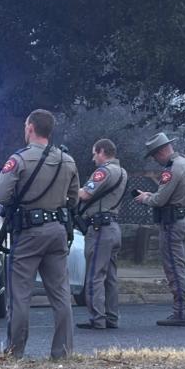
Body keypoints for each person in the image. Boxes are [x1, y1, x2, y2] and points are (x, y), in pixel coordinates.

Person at [0, 109, 79, 359]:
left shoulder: (19, 160)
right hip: (58, 231)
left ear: (30, 127)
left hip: (29, 233)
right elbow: (73, 200)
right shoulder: (67, 160)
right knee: (61, 294)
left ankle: (15, 351)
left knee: (20, 294)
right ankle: (62, 353)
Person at [134, 133, 185, 326]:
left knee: (174, 268)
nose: (155, 159)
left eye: (155, 155)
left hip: (172, 224)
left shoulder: (171, 169)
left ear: (162, 151)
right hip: (184, 218)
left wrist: (144, 198)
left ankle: (181, 311)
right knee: (181, 267)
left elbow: (160, 200)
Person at [75, 139, 128, 330]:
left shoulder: (104, 171)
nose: (93, 158)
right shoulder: (122, 172)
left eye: (94, 153)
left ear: (102, 151)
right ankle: (112, 317)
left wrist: (71, 190)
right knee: (110, 276)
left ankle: (97, 318)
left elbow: (85, 195)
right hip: (113, 227)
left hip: (100, 229)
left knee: (94, 275)